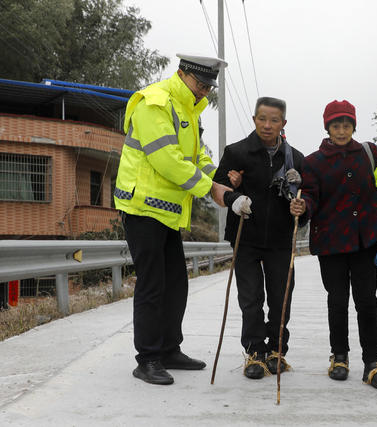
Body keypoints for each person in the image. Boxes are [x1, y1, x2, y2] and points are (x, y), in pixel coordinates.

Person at [114, 54, 238, 385]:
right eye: (200, 85)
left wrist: (220, 177)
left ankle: (169, 349)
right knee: (153, 284)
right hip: (142, 207)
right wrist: (210, 189)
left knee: (176, 285)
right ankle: (148, 358)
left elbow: (196, 156)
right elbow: (166, 160)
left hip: (167, 212)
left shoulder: (187, 109)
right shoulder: (155, 102)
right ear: (182, 74)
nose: (203, 93)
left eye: (208, 88)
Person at [289, 100, 377, 390]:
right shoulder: (313, 162)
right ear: (327, 127)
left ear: (354, 126)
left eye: (346, 125)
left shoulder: (368, 152)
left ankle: (373, 362)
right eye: (336, 125)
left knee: (367, 301)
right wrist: (304, 206)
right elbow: (312, 195)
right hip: (330, 243)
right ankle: (339, 357)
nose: (341, 131)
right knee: (337, 301)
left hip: (365, 240)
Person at [213, 97, 304, 380]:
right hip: (246, 237)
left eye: (274, 120)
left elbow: (308, 202)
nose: (267, 125)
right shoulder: (237, 152)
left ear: (283, 124)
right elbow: (216, 189)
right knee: (250, 297)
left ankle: (277, 350)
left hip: (280, 239)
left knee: (281, 296)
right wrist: (234, 197)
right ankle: (254, 351)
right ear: (254, 119)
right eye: (262, 118)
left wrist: (299, 199)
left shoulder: (296, 159)